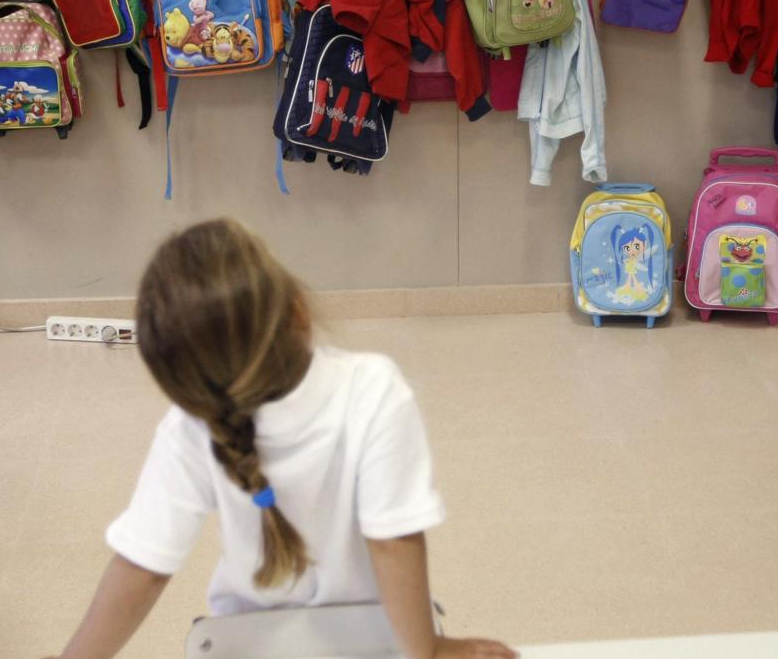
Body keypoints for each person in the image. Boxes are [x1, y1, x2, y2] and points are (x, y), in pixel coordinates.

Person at [46, 219, 517, 659]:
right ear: (298, 310)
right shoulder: (373, 388)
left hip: (242, 641)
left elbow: (143, 567)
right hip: (377, 636)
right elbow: (392, 541)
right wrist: (429, 651)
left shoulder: (189, 427)